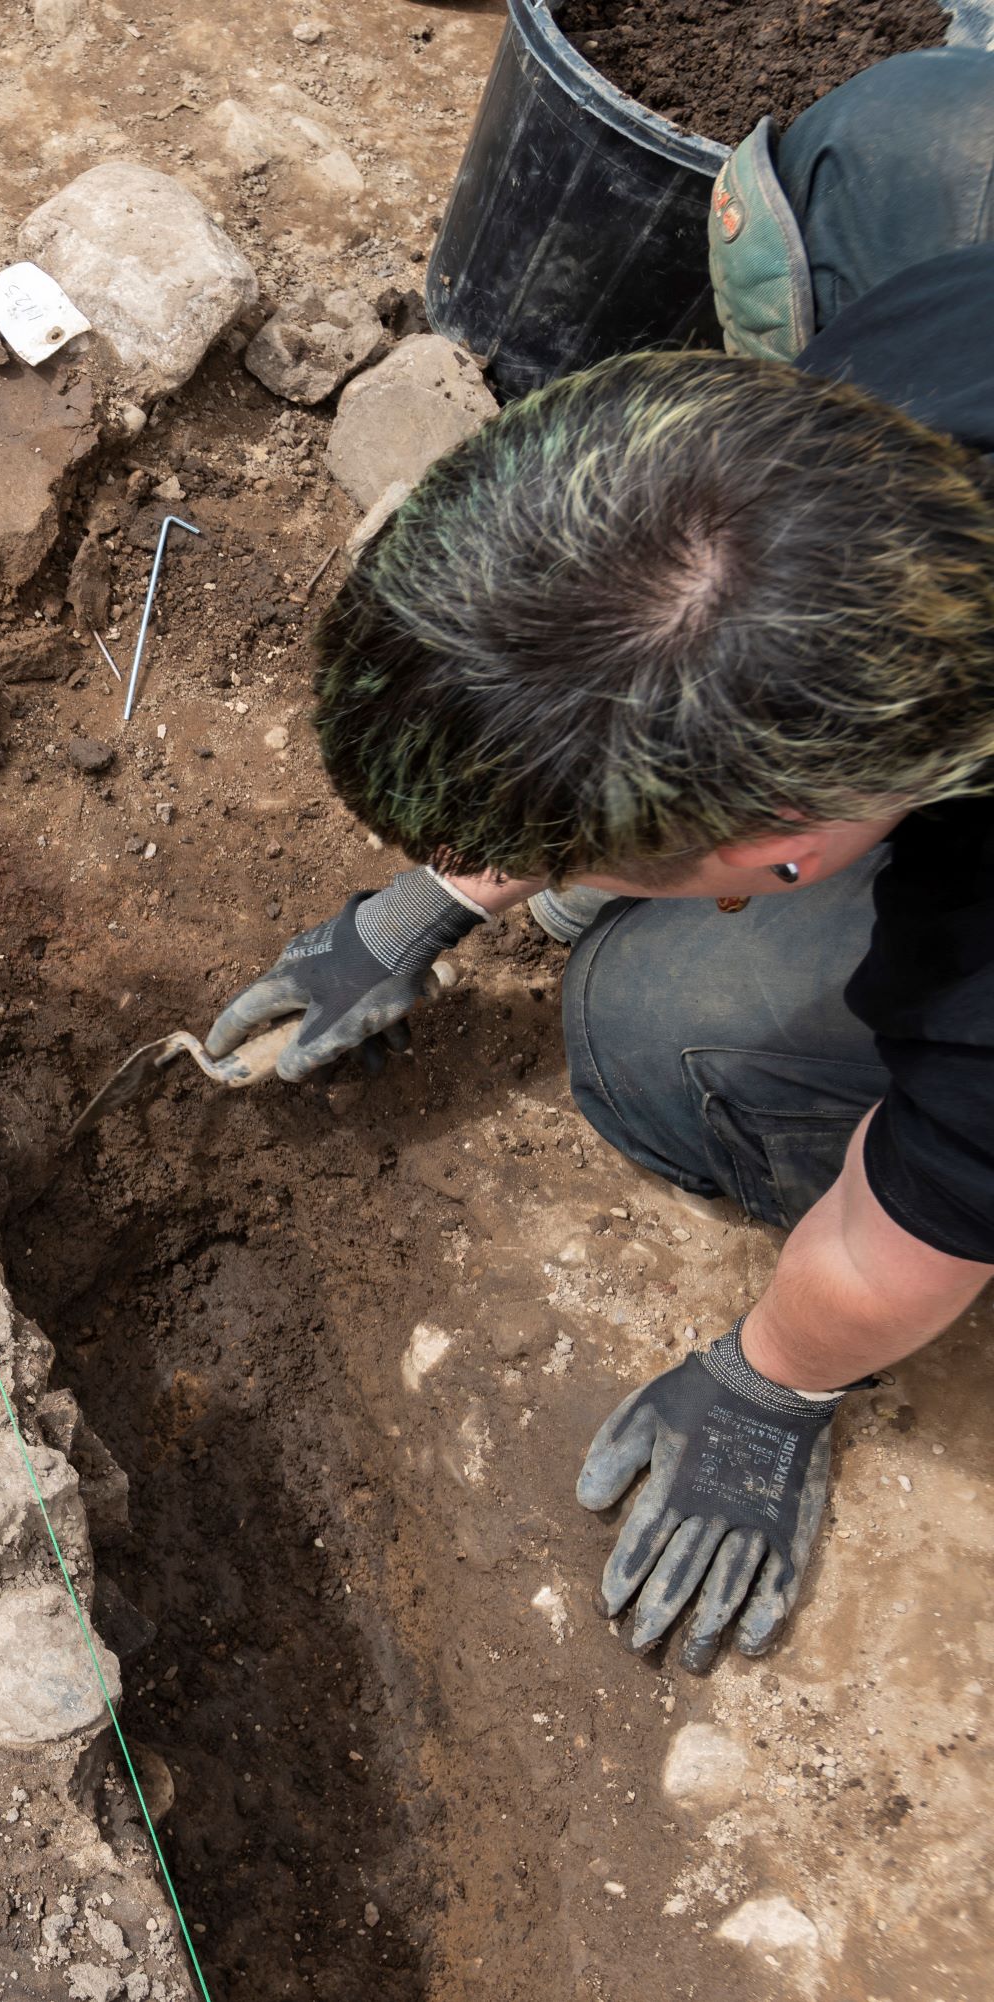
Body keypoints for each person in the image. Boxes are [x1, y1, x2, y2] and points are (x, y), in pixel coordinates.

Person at [213, 119, 994, 1671]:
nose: (546, 882)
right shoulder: (853, 434)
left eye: (594, 860)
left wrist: (773, 1381)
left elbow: (932, 1203)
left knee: (653, 1036)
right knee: (897, 145)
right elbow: (624, 662)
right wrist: (421, 906)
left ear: (791, 839)